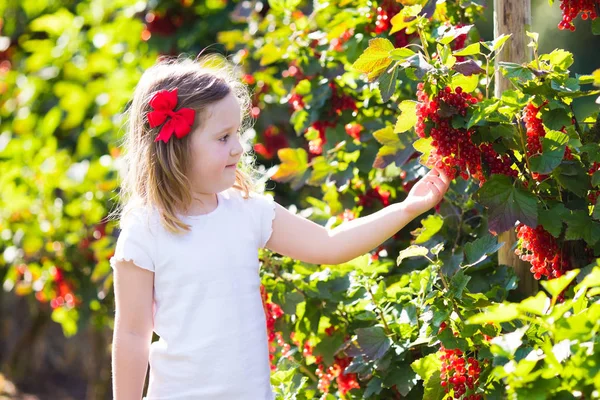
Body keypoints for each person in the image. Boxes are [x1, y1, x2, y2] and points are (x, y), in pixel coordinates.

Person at [109, 53, 451, 400]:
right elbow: (133, 335)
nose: (239, 147)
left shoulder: (246, 213)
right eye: (223, 137)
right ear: (177, 147)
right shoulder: (146, 231)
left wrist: (407, 208)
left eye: (237, 134)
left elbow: (330, 245)